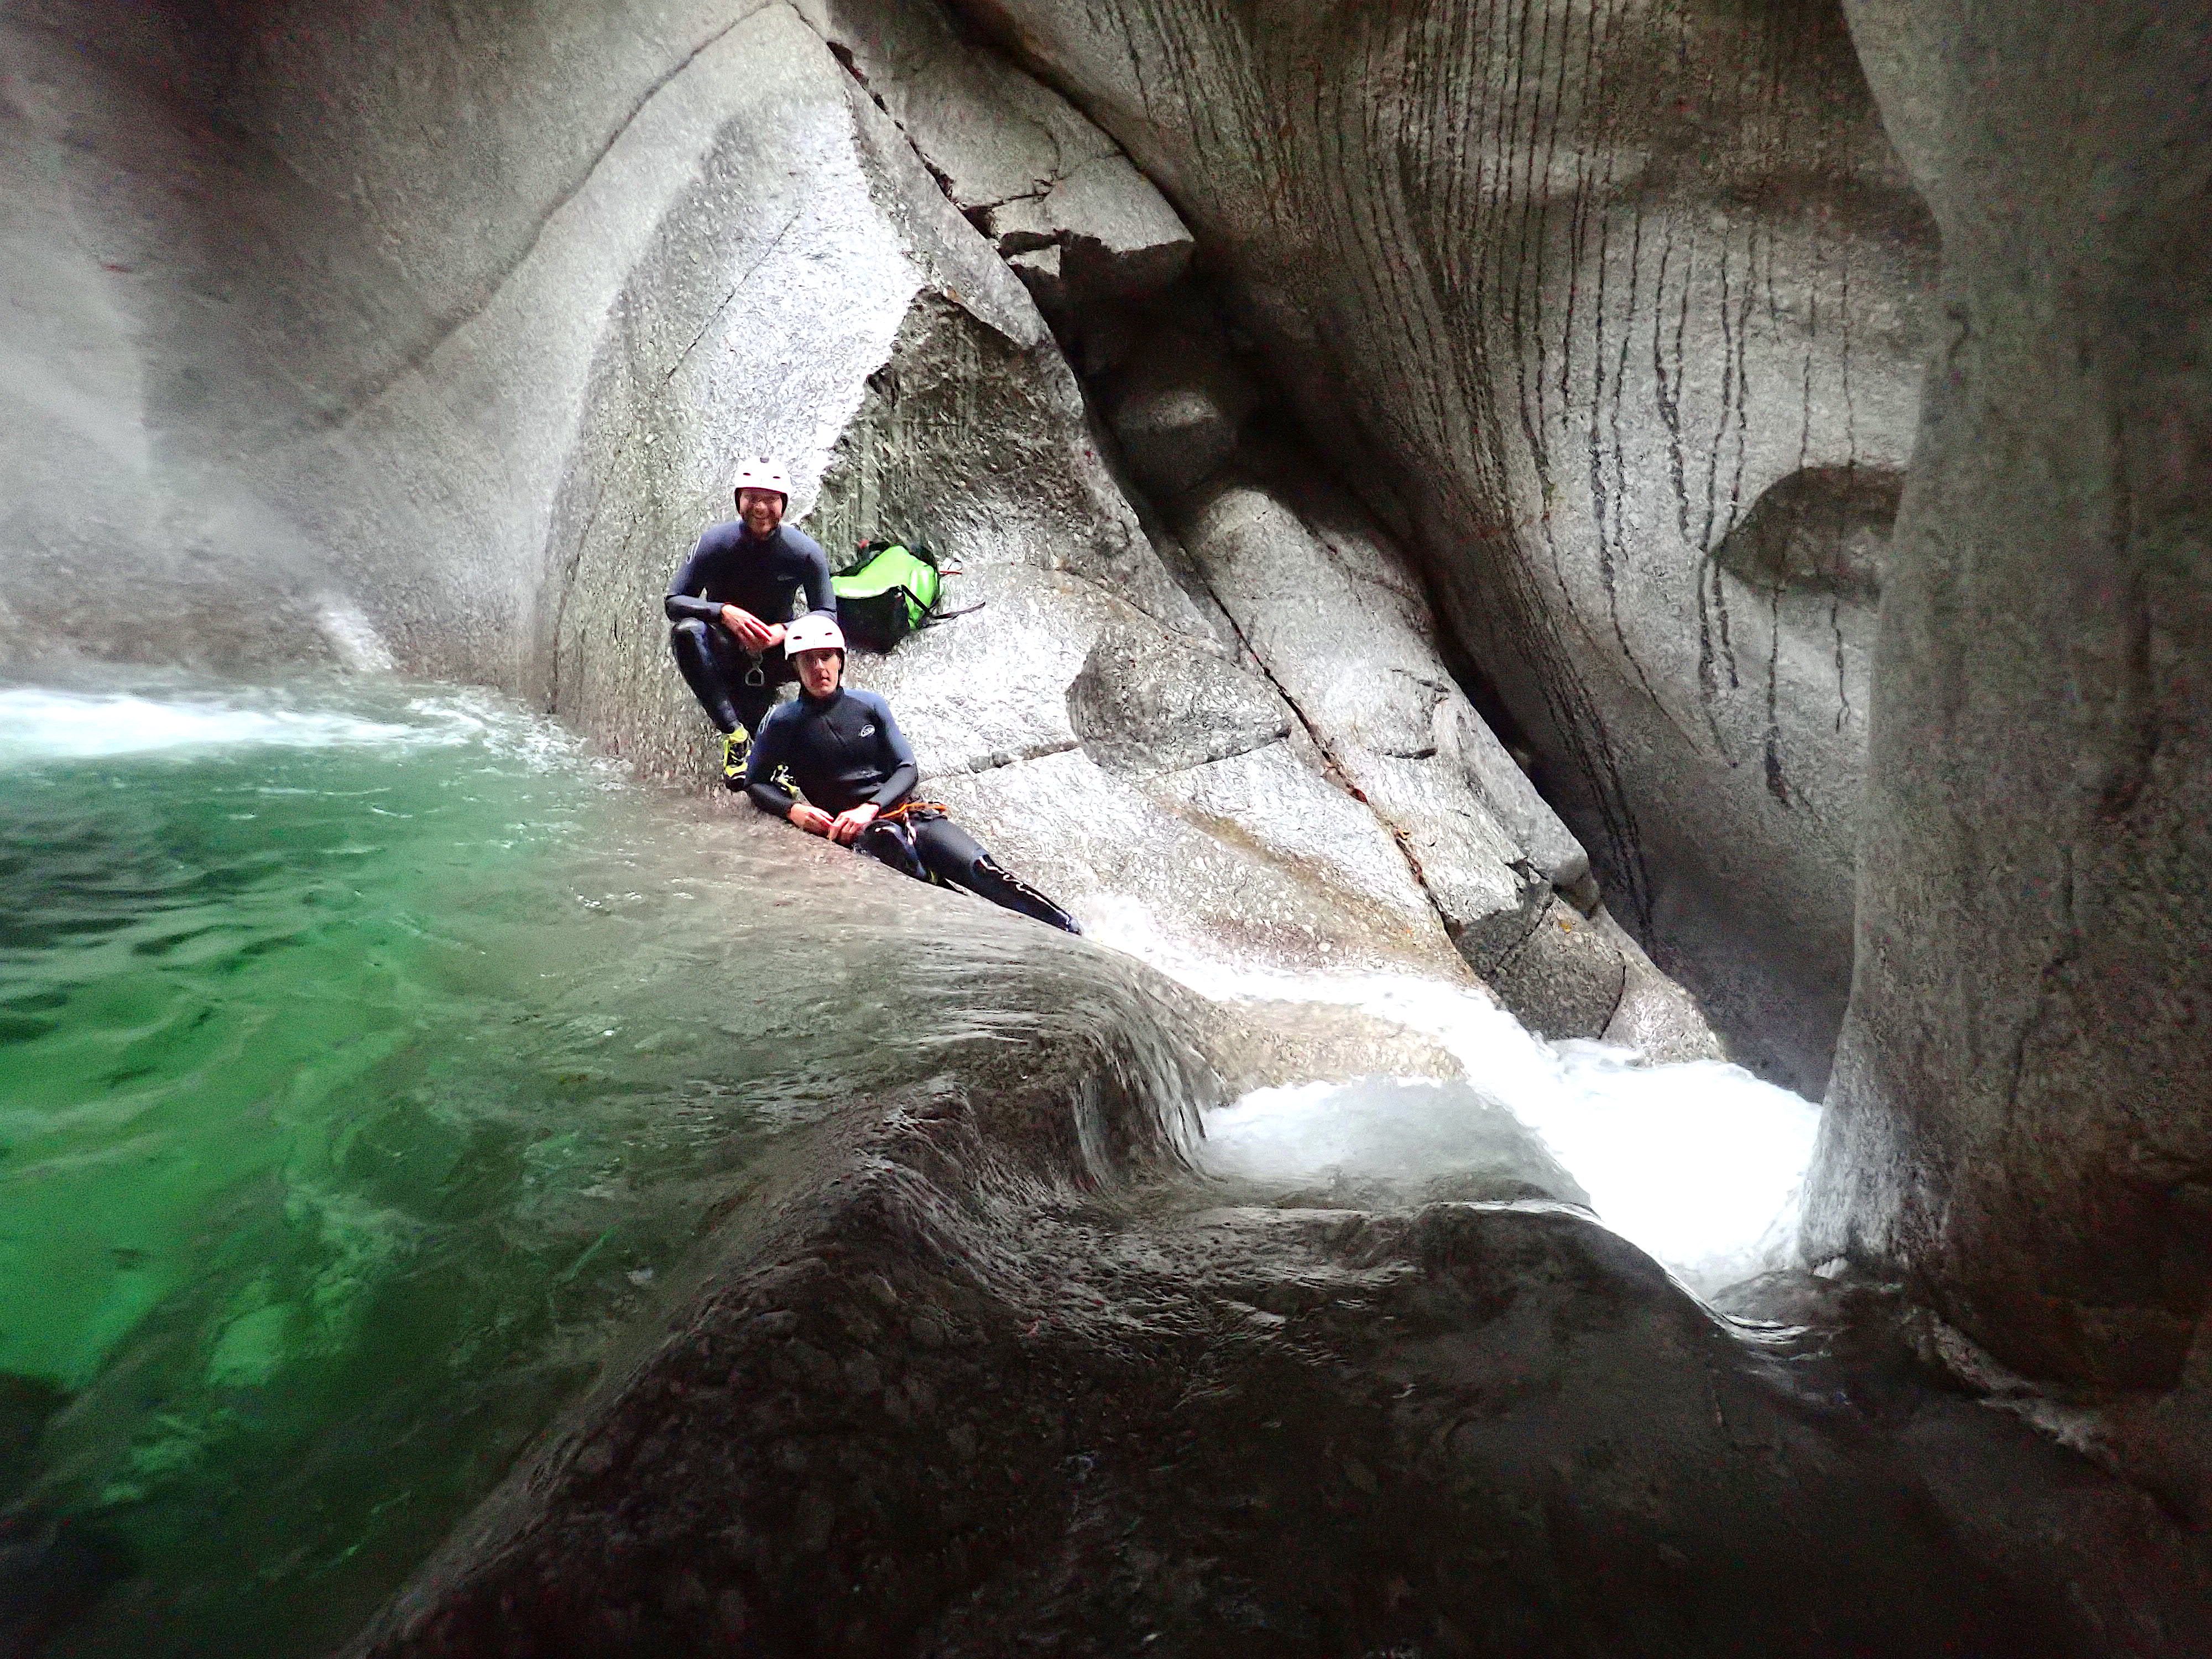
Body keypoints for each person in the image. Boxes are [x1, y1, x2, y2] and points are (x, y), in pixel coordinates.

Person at [744, 614, 1082, 933]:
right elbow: (755, 782)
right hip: (859, 830)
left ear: (840, 660)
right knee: (889, 843)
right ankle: (937, 886)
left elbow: (908, 769)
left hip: (907, 813)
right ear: (796, 667)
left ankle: (1069, 930)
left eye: (826, 657)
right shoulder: (784, 722)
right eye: (808, 660)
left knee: (984, 871)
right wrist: (794, 810)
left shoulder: (869, 705)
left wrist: (870, 807)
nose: (819, 668)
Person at [665, 460, 834, 786]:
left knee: (826, 647)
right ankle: (734, 734)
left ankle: (813, 741)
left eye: (770, 499)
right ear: (738, 500)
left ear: (783, 504)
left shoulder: (804, 552)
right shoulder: (715, 543)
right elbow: (675, 602)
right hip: (726, 648)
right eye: (751, 497)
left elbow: (827, 614)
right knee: (686, 632)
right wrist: (724, 612)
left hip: (776, 653)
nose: (760, 508)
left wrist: (783, 632)